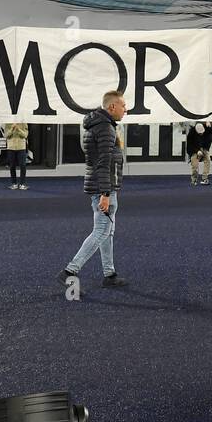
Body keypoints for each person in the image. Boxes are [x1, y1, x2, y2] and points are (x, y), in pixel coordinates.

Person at [59, 90, 128, 290]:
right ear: (112, 107)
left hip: (99, 186)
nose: (126, 110)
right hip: (103, 188)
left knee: (108, 232)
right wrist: (106, 194)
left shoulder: (94, 126)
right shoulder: (106, 128)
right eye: (123, 106)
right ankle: (70, 271)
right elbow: (103, 162)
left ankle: (110, 274)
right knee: (101, 231)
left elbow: (94, 159)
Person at [186, 120, 212, 186]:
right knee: (195, 165)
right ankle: (194, 180)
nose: (201, 134)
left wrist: (210, 126)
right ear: (196, 131)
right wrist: (197, 151)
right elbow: (189, 146)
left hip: (204, 148)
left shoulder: (205, 127)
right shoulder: (191, 133)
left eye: (202, 132)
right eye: (200, 133)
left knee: (208, 160)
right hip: (195, 149)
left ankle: (204, 179)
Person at [3, 122, 29, 190]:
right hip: (11, 147)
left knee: (23, 165)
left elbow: (25, 135)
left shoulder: (24, 123)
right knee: (12, 166)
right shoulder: (8, 124)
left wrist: (18, 129)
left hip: (21, 147)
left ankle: (22, 184)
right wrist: (12, 128)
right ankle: (14, 184)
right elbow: (6, 135)